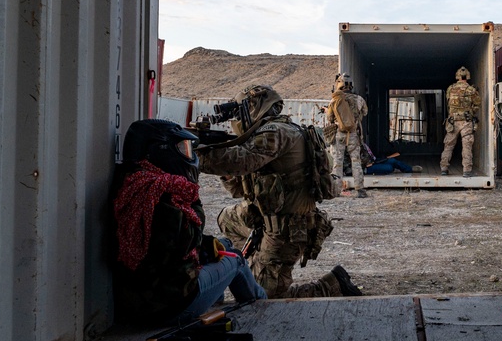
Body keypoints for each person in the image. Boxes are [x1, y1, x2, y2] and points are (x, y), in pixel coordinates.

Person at [199, 84, 363, 298]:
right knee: (227, 219)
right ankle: (258, 261)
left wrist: (195, 155)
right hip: (266, 217)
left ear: (256, 107)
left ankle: (332, 285)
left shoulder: (277, 132)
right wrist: (228, 175)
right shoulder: (268, 133)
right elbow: (241, 189)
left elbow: (241, 161)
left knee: (264, 297)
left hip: (287, 228)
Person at [111, 119, 267, 326]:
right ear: (160, 152)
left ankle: (216, 301)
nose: (187, 156)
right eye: (181, 149)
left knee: (225, 244)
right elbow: (188, 242)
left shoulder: (134, 185)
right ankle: (264, 310)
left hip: (139, 300)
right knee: (236, 259)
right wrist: (194, 199)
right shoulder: (164, 194)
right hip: (171, 306)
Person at [327, 72, 370, 198]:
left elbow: (330, 118)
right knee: (356, 161)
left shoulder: (334, 100)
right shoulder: (359, 99)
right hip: (353, 134)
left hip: (339, 134)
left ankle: (336, 190)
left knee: (337, 162)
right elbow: (365, 112)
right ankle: (360, 190)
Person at [440, 66, 481, 177]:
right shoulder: (471, 90)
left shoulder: (450, 88)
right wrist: (470, 112)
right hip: (466, 121)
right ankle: (466, 171)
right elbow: (477, 104)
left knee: (448, 145)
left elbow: (448, 104)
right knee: (467, 146)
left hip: (453, 121)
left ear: (457, 76)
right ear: (467, 76)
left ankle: (444, 168)